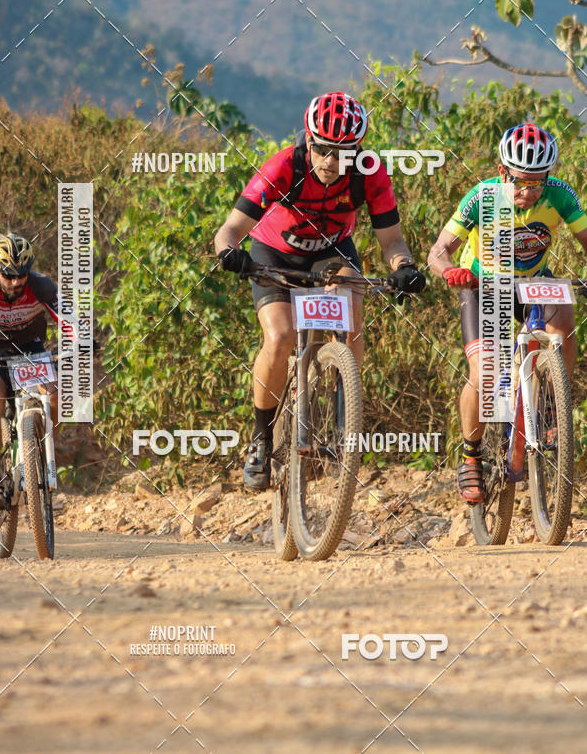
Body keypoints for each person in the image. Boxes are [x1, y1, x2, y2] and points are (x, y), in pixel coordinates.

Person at [214, 90, 425, 490]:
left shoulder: (369, 174)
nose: (331, 162)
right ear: (308, 141)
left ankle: (348, 410)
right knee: (279, 337)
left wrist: (405, 269)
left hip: (331, 251)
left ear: (357, 149)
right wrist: (229, 253)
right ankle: (261, 438)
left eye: (342, 152)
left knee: (352, 298)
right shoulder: (283, 167)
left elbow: (392, 241)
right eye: (323, 149)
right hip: (274, 253)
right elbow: (229, 230)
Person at [428, 123, 587, 503]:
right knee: (485, 373)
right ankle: (470, 456)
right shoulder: (481, 197)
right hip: (483, 285)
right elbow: (438, 252)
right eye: (520, 183)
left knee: (564, 323)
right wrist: (451, 271)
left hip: (534, 281)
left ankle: (549, 406)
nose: (528, 193)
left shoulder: (560, 195)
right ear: (503, 171)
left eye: (536, 184)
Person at [0, 233, 74, 509]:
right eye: (9, 276)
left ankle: (36, 452)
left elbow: (68, 318)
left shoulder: (41, 286)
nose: (16, 282)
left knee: (56, 398)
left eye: (21, 275)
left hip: (30, 350)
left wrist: (81, 339)